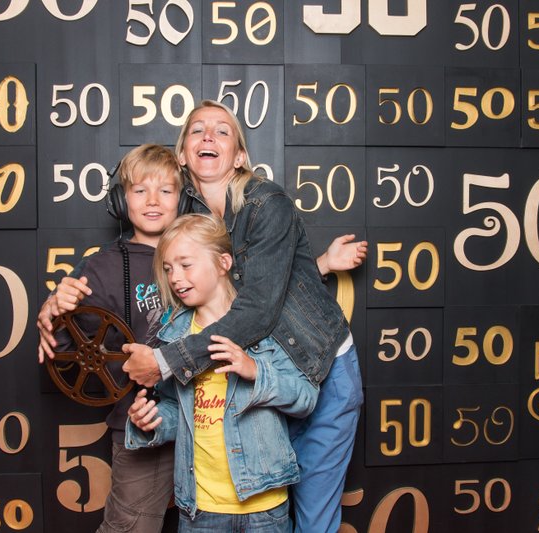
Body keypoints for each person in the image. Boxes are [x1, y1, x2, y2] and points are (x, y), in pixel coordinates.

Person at [120, 100, 365, 533]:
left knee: (312, 516)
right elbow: (143, 247)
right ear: (183, 155)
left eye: (222, 130)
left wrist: (165, 361)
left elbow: (258, 309)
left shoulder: (267, 202)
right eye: (197, 130)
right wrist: (64, 297)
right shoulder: (192, 220)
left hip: (318, 367)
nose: (208, 136)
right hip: (258, 368)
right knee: (266, 501)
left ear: (240, 156)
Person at [125, 213, 318, 532]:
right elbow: (177, 411)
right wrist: (151, 421)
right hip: (200, 510)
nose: (175, 278)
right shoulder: (173, 336)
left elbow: (305, 398)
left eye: (186, 265)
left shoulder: (266, 327)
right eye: (169, 269)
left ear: (223, 263)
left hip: (264, 507)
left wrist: (255, 370)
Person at [40, 144, 181, 533]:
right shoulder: (100, 268)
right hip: (140, 426)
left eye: (165, 190)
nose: (153, 201)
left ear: (182, 199)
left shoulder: (205, 252)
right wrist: (56, 314)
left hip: (208, 420)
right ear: (121, 200)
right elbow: (68, 351)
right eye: (140, 190)